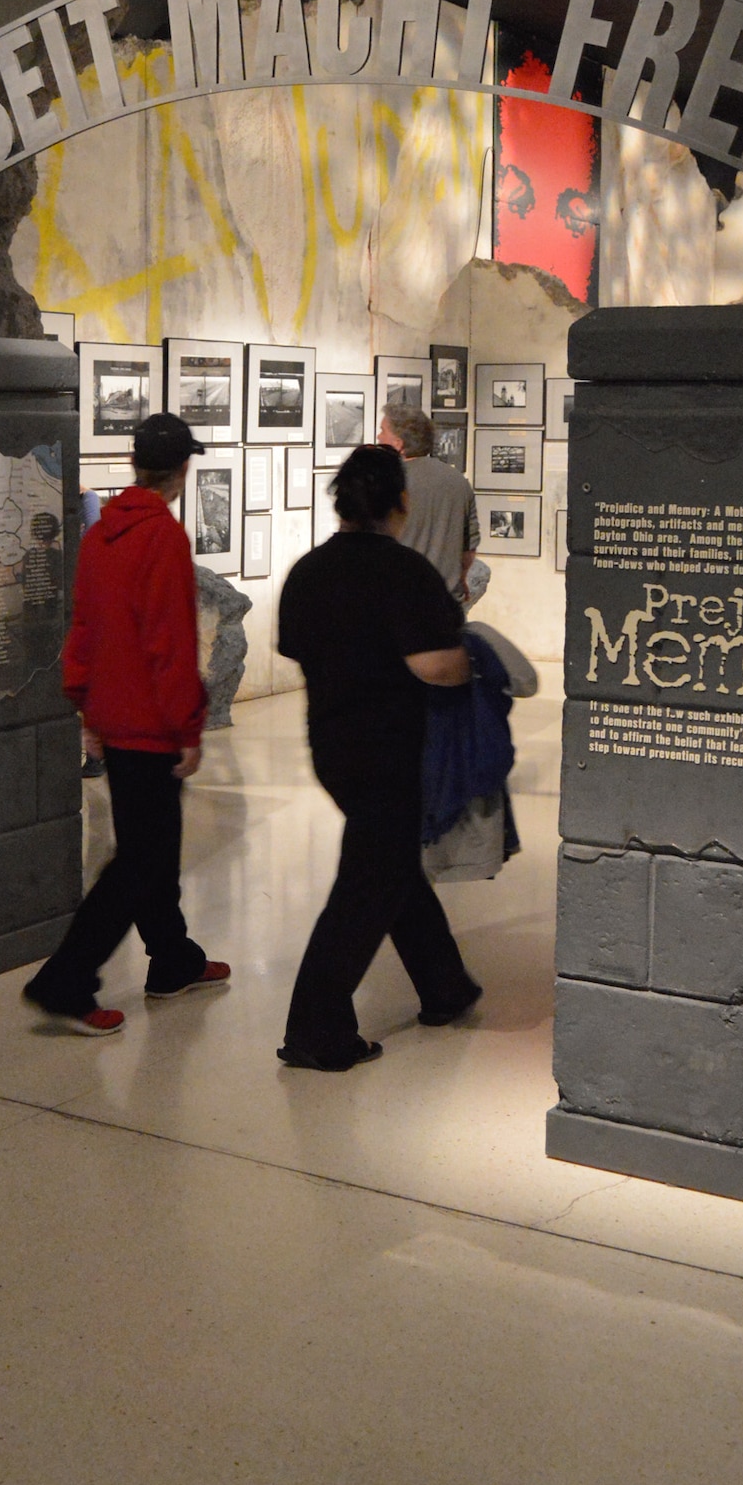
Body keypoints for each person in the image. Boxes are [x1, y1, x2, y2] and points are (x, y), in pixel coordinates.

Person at [276, 444, 482, 1070]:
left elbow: (299, 650)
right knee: (368, 885)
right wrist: (476, 663)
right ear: (401, 502)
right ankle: (316, 1030)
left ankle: (445, 985)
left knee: (392, 868)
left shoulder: (307, 572)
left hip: (333, 748)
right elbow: (437, 665)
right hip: (391, 752)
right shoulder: (403, 572)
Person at [23, 412, 229, 1034]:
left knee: (152, 847)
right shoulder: (162, 539)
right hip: (149, 725)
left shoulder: (101, 533)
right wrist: (188, 729)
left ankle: (173, 959)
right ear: (183, 469)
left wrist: (85, 707)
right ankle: (66, 979)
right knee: (140, 858)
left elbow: (82, 627)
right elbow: (169, 645)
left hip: (113, 718)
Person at [378, 402, 480, 602]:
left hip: (400, 601)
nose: (378, 437)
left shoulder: (388, 482)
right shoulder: (458, 481)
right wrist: (460, 578)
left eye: (382, 431)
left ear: (398, 444)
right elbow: (469, 548)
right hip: (446, 601)